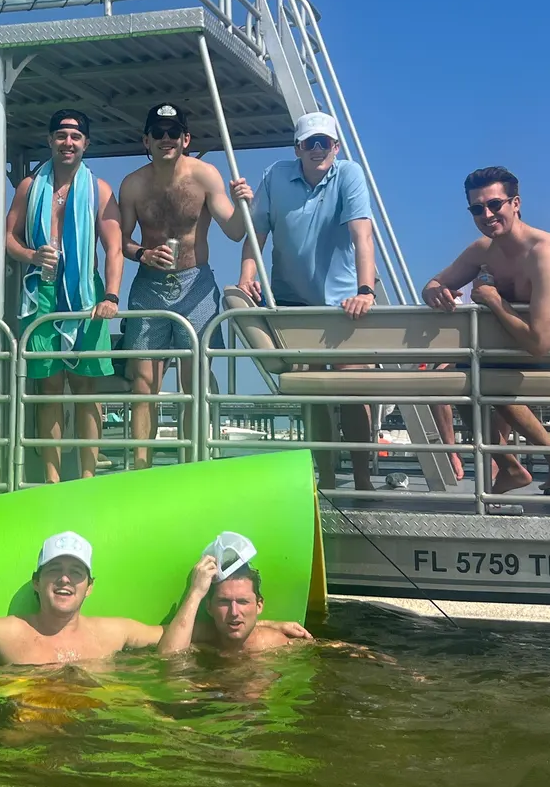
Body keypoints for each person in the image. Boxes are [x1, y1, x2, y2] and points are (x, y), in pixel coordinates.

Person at [228, 112, 380, 490]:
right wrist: (247, 275)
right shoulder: (275, 175)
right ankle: (325, 481)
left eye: (323, 142)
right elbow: (255, 233)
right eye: (309, 143)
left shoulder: (349, 174)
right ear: (297, 148)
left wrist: (365, 291)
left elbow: (363, 234)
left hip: (345, 303)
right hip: (295, 301)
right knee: (312, 392)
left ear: (336, 146)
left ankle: (362, 481)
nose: (317, 149)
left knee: (351, 390)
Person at [421, 166, 550, 495]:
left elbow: (541, 344)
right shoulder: (483, 250)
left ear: (516, 203)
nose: (487, 214)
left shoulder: (545, 252)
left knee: (475, 373)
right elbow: (435, 282)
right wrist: (434, 291)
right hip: (510, 354)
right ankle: (514, 466)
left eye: (495, 205)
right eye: (477, 209)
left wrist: (493, 300)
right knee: (457, 376)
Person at [117, 102, 247, 468]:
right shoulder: (132, 184)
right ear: (146, 139)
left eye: (173, 132)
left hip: (196, 285)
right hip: (148, 285)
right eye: (157, 133)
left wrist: (244, 205)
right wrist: (142, 253)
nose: (165, 139)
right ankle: (140, 469)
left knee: (196, 385)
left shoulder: (205, 176)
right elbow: (120, 241)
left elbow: (236, 231)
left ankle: (195, 464)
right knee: (144, 384)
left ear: (186, 138)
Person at [6, 112, 125, 482]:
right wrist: (31, 255)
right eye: (61, 135)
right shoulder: (29, 186)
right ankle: (53, 480)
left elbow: (114, 248)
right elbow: (7, 238)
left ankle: (87, 478)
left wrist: (111, 295)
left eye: (75, 136)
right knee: (48, 387)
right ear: (50, 140)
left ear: (86, 143)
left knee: (87, 388)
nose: (68, 142)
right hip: (39, 292)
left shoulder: (100, 189)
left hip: (86, 294)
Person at [0, 531, 163, 666]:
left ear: (89, 587)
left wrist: (197, 592)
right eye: (54, 571)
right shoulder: (6, 633)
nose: (65, 579)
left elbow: (174, 637)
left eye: (75, 573)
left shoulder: (114, 633)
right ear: (36, 582)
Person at [158, 533, 312, 656]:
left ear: (259, 606)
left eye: (243, 602)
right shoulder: (199, 639)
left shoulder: (277, 646)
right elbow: (168, 660)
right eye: (224, 602)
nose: (234, 612)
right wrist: (195, 592)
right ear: (209, 607)